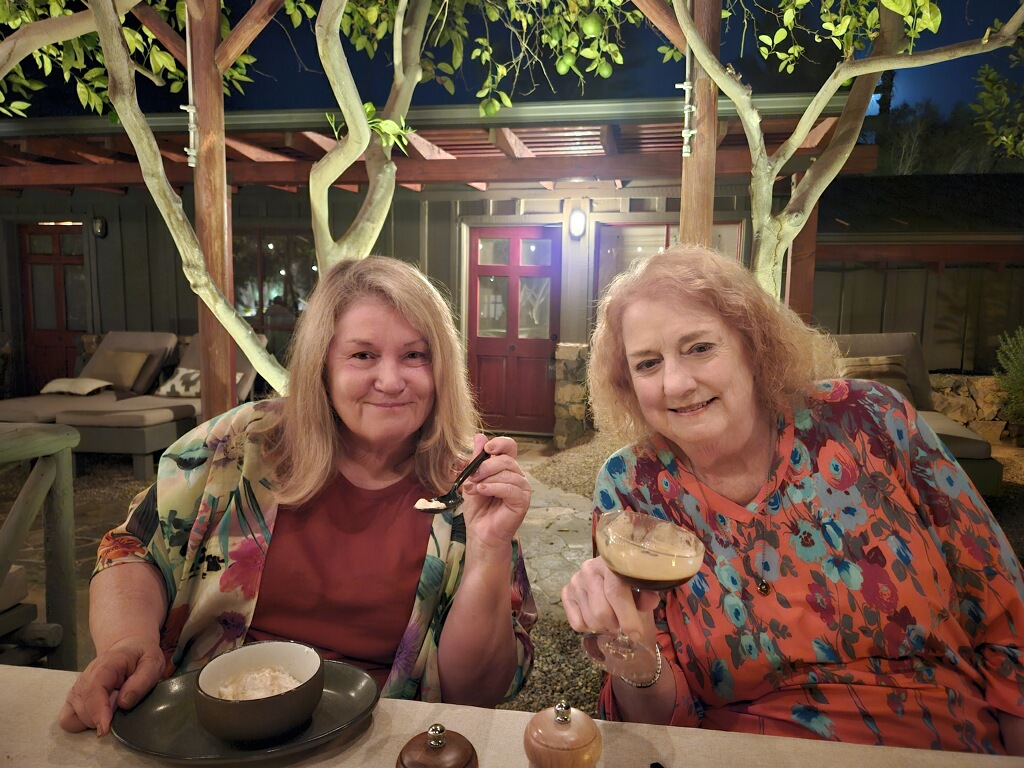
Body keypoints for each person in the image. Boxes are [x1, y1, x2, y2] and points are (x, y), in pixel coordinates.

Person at [561, 244, 1024, 755]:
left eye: (699, 348)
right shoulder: (632, 488)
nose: (676, 382)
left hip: (936, 739)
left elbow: (1004, 603)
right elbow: (662, 726)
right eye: (648, 363)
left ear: (752, 345)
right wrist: (633, 654)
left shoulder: (869, 419)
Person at [61, 256, 537, 736]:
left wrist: (488, 551)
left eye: (415, 355)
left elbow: (475, 694)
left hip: (380, 740)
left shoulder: (468, 487)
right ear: (321, 365)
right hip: (213, 727)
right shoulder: (241, 445)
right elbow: (133, 549)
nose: (392, 381)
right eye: (363, 355)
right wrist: (126, 641)